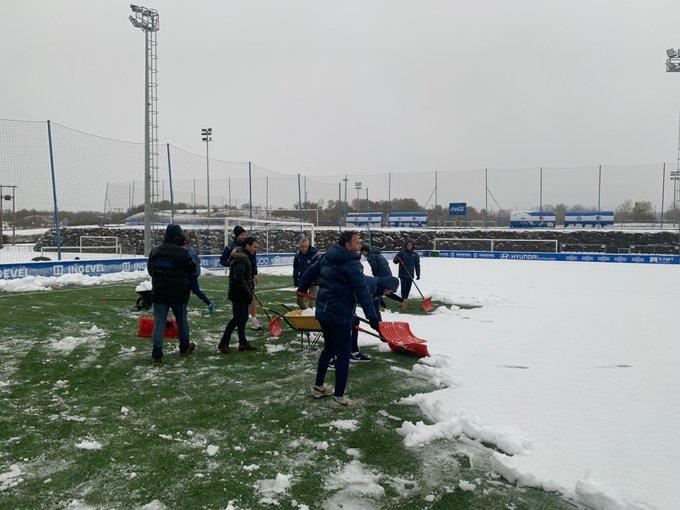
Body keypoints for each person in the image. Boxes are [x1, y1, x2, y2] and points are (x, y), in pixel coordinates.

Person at [297, 231, 380, 408]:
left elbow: (308, 273)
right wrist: (372, 317)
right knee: (342, 355)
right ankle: (339, 398)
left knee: (329, 348)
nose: (360, 244)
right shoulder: (352, 264)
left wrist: (301, 290)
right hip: (339, 315)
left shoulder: (326, 256)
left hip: (324, 312)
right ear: (348, 245)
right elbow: (362, 292)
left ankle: (319, 387)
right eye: (357, 242)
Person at [147, 224, 197, 364]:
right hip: (178, 293)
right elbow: (192, 269)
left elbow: (150, 270)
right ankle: (184, 347)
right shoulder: (182, 252)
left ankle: (157, 355)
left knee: (159, 324)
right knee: (182, 322)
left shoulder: (155, 251)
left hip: (159, 293)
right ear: (177, 236)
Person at [218, 237, 259, 353]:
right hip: (239, 293)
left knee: (243, 318)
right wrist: (248, 292)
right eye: (254, 247)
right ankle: (224, 342)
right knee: (237, 318)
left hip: (242, 292)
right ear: (247, 246)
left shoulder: (245, 256)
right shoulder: (241, 258)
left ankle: (243, 342)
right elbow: (239, 278)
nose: (255, 250)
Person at [220, 226, 261, 330]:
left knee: (250, 297)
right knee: (241, 299)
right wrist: (233, 264)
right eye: (241, 234)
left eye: (245, 234)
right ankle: (239, 321)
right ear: (237, 236)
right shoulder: (231, 247)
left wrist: (254, 273)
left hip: (249, 275)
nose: (244, 236)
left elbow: (253, 261)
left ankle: (254, 320)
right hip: (238, 276)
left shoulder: (250, 246)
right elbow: (223, 260)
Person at [360, 244, 393, 311]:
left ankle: (382, 306)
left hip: (381, 274)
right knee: (384, 289)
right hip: (387, 272)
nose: (363, 255)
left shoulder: (370, 256)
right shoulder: (377, 253)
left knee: (378, 289)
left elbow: (374, 266)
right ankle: (383, 305)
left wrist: (375, 275)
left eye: (362, 252)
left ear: (365, 251)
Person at [186, 242, 214, 314]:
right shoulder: (191, 248)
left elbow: (192, 263)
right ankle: (209, 303)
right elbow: (198, 261)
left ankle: (209, 303)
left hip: (191, 273)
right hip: (193, 273)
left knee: (189, 290)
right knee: (195, 290)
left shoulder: (187, 250)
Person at [393, 239, 421, 312]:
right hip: (403, 274)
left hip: (410, 274)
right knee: (404, 289)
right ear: (406, 246)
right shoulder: (402, 253)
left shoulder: (415, 254)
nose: (409, 246)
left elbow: (417, 265)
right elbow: (395, 261)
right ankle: (403, 301)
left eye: (410, 245)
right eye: (408, 245)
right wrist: (398, 260)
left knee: (408, 288)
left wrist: (418, 274)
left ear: (412, 246)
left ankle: (405, 301)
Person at [293, 238, 318, 309]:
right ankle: (306, 313)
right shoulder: (298, 254)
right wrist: (295, 278)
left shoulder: (314, 254)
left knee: (312, 305)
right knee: (299, 301)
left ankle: (311, 318)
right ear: (299, 246)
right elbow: (295, 267)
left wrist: (317, 280)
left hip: (313, 281)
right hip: (303, 280)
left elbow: (319, 268)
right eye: (302, 247)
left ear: (308, 245)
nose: (304, 249)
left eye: (305, 246)